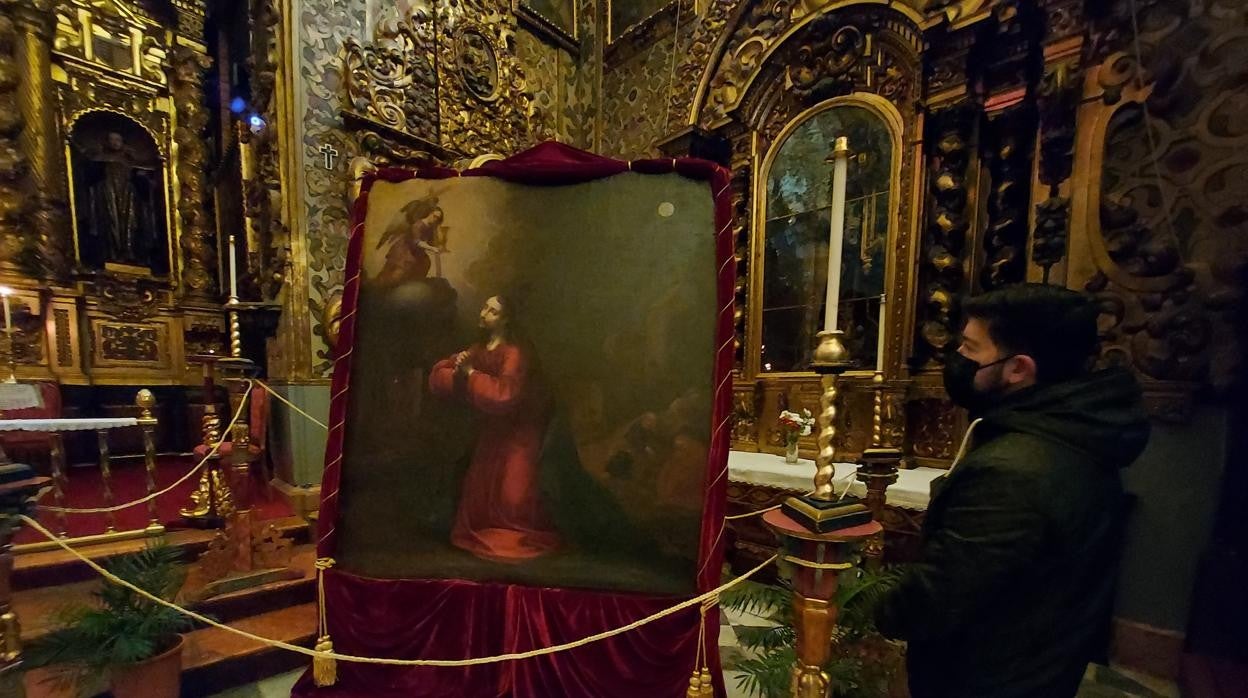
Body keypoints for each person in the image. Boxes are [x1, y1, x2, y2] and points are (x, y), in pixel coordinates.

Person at [876, 283, 1150, 698]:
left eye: (970, 349)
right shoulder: (1076, 430)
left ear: (1018, 368)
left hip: (989, 678)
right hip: (1038, 663)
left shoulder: (1013, 471)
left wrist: (869, 614)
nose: (958, 360)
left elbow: (942, 593)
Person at [428, 295, 561, 563]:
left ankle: (519, 537)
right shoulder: (480, 349)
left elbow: (504, 395)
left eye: (493, 310)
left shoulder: (514, 353)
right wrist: (458, 371)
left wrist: (470, 375)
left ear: (506, 319)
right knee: (481, 494)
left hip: (520, 430)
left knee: (514, 499)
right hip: (493, 431)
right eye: (484, 306)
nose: (484, 312)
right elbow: (437, 375)